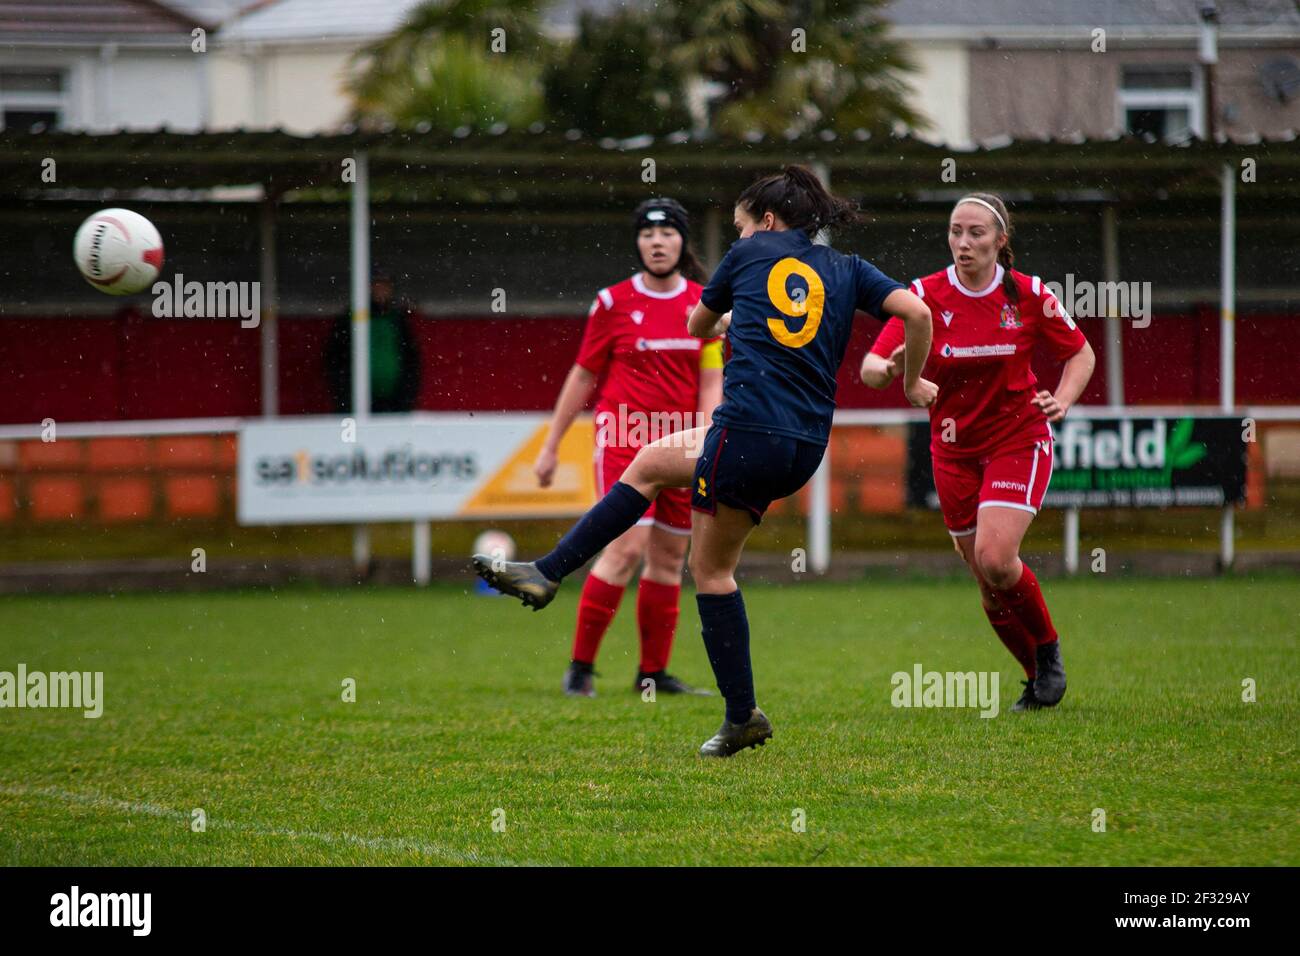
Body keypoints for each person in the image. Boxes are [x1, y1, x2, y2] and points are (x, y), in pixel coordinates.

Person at [474, 165, 934, 756]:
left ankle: (555, 579)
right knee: (657, 473)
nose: (740, 237)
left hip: (744, 432)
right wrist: (913, 382)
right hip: (803, 447)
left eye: (742, 226)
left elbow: (698, 324)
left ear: (766, 221)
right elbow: (918, 315)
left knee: (702, 560)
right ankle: (554, 576)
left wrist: (728, 310)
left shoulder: (745, 259)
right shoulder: (847, 268)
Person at [861, 192, 1096, 711]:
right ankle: (1036, 680)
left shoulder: (1029, 294)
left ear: (1000, 240)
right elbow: (870, 369)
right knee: (987, 583)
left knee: (996, 556)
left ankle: (1049, 650)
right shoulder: (922, 297)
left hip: (1018, 438)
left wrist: (1061, 399)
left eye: (975, 233)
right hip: (952, 452)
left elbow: (1081, 352)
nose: (963, 243)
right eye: (955, 232)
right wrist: (894, 370)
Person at [536, 198, 722, 697]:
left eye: (667, 233)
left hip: (683, 444)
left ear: (683, 241)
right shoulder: (613, 302)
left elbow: (711, 379)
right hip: (625, 440)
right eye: (647, 233)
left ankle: (653, 674)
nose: (657, 242)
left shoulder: (705, 305)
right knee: (625, 548)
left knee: (667, 558)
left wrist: (705, 437)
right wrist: (550, 446)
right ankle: (580, 668)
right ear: (637, 243)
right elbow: (583, 374)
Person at [324, 271, 422, 414]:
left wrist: (407, 396)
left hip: (395, 402)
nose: (380, 290)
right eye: (376, 285)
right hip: (355, 402)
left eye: (385, 285)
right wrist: (344, 395)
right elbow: (335, 359)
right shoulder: (349, 320)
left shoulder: (398, 320)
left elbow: (412, 360)